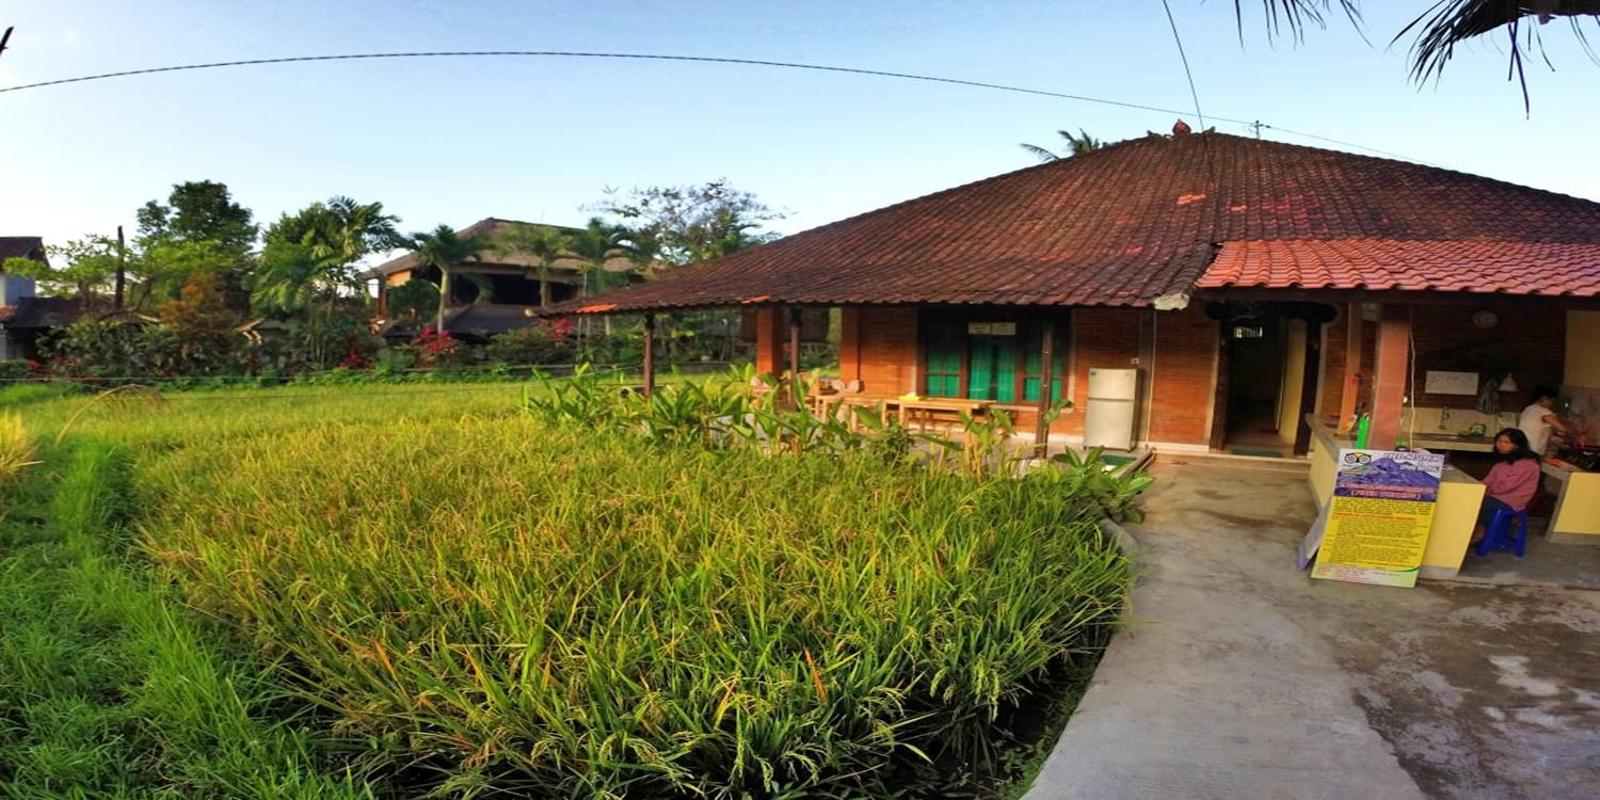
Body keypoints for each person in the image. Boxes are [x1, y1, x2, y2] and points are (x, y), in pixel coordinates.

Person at [1472, 428, 1542, 544]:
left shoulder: (1528, 464)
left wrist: (1486, 491)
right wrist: (1477, 488)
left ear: (1517, 445)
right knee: (1468, 498)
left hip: (1510, 502)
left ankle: (1479, 532)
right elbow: (1488, 480)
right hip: (1494, 497)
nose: (1501, 445)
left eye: (1506, 442)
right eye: (1499, 441)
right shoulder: (1502, 462)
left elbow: (1507, 487)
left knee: (1477, 503)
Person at [1518, 386, 1572, 455]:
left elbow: (1537, 429)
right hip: (1533, 450)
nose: (1552, 404)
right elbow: (1562, 429)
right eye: (1552, 401)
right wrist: (1577, 435)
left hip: (1522, 448)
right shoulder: (1543, 411)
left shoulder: (1528, 409)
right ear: (1543, 398)